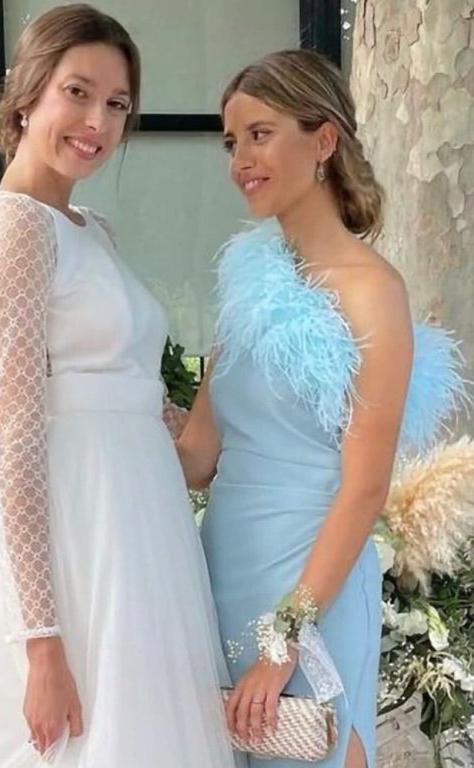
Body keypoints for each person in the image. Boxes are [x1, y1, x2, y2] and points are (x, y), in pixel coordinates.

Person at [0, 5, 236, 766]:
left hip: (145, 529)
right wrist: (41, 643)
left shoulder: (92, 228)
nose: (98, 121)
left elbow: (137, 400)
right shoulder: (16, 225)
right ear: (27, 94)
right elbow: (17, 430)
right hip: (79, 540)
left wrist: (241, 352)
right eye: (78, 92)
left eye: (117, 103)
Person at [176, 49, 465, 768]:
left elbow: (365, 488)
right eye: (232, 141)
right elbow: (197, 457)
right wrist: (104, 407)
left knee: (315, 750)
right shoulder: (249, 280)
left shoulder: (373, 291)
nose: (241, 159)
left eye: (261, 134)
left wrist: (284, 642)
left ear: (324, 140)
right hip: (223, 570)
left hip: (311, 583)